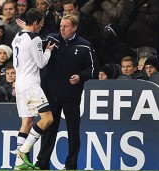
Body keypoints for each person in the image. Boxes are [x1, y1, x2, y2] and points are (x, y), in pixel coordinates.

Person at [36, 14, 98, 170]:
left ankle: (71, 165)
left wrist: (80, 76)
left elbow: (93, 69)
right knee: (49, 130)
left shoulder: (85, 45)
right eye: (61, 26)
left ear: (75, 28)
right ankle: (42, 164)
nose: (62, 29)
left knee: (73, 131)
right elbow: (34, 49)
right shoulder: (51, 39)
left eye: (66, 26)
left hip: (71, 95)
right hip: (50, 94)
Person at [11, 8, 55, 170]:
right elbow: (41, 63)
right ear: (35, 22)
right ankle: (23, 151)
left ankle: (18, 164)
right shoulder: (35, 39)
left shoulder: (17, 36)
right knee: (48, 119)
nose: (42, 26)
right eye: (41, 23)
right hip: (31, 85)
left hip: (19, 84)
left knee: (27, 122)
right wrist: (48, 51)